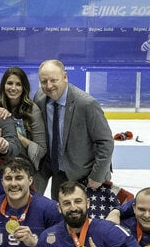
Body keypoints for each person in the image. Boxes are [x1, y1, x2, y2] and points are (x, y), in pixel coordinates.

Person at [34, 59, 114, 199]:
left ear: (65, 77)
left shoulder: (86, 104)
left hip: (83, 174)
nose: (49, 86)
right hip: (54, 167)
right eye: (44, 81)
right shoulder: (40, 98)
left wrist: (97, 175)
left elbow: (105, 141)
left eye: (54, 80)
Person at [0, 66, 48, 194]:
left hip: (31, 172)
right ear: (3, 85)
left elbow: (41, 150)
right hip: (3, 170)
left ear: (24, 87)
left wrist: (17, 137)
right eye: (9, 83)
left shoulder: (33, 111)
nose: (13, 88)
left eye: (18, 84)